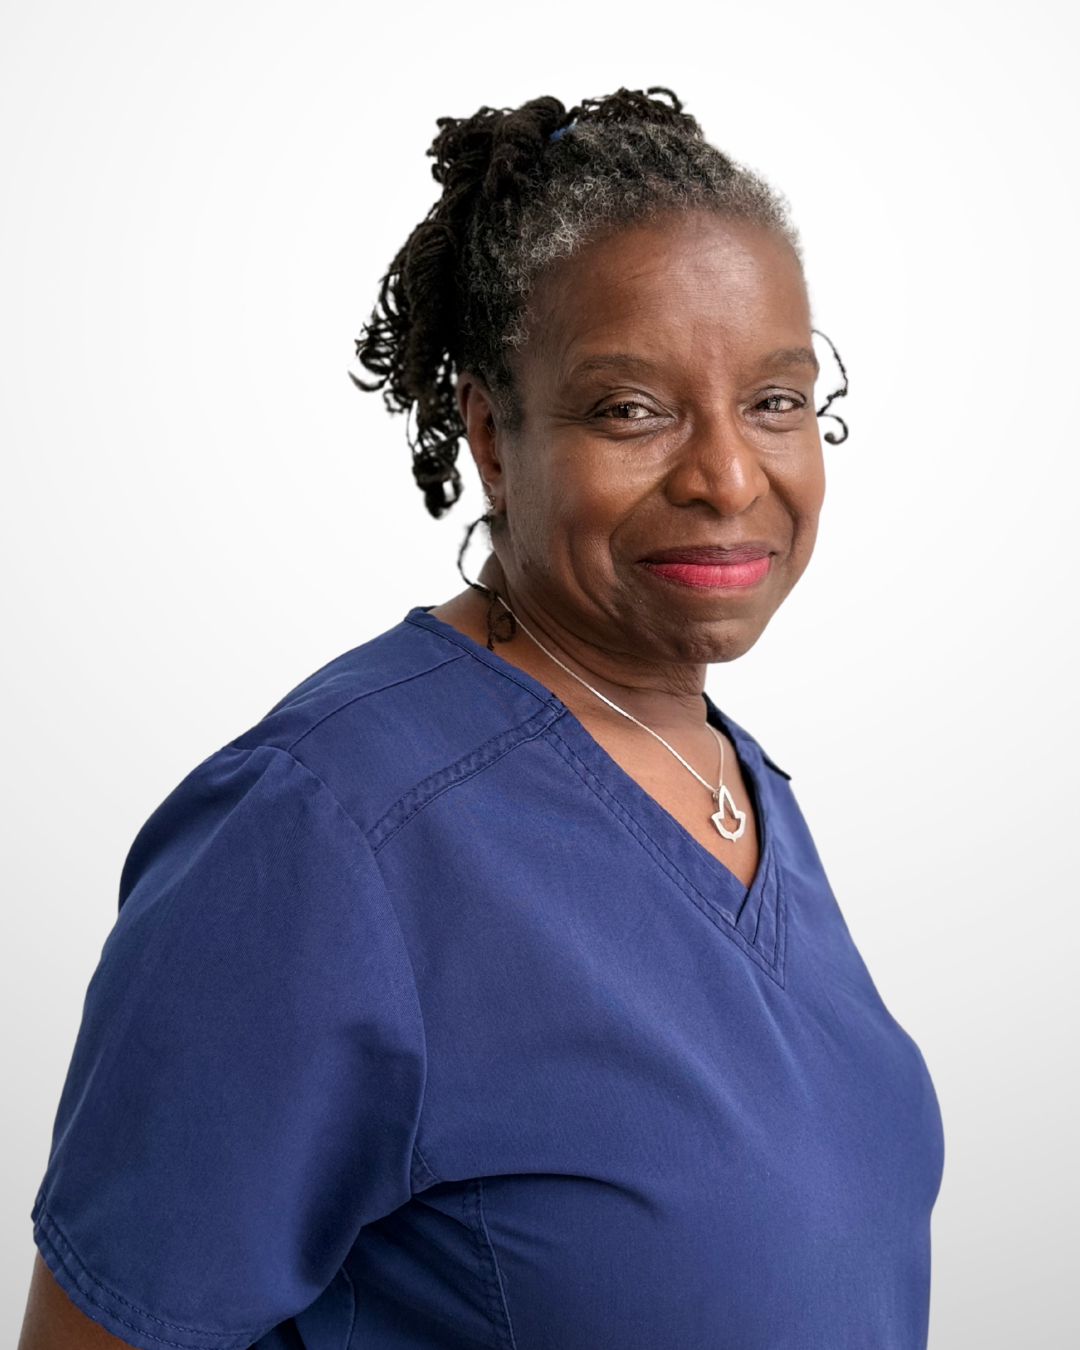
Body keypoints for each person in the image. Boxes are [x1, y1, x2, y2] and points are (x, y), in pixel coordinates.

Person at [19, 87, 944, 1350]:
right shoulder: (322, 836)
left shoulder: (730, 777)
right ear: (492, 436)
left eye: (776, 400)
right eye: (632, 408)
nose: (731, 474)